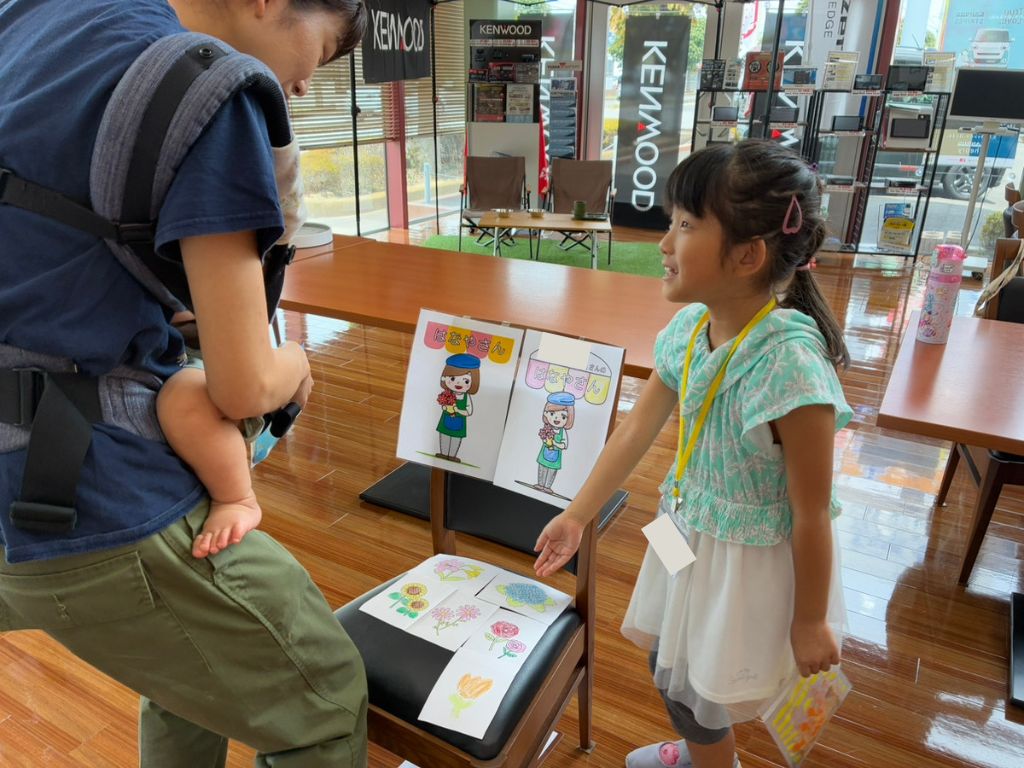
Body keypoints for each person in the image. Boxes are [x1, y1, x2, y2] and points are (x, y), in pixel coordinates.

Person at [0, 1, 370, 765]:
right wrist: (296, 366)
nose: (307, 84)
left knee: (188, 677)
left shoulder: (34, 17)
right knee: (325, 700)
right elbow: (243, 386)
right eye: (325, 47)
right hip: (79, 489)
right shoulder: (209, 91)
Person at [533, 140, 852, 768]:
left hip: (746, 562)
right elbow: (635, 430)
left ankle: (713, 762)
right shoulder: (688, 331)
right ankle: (706, 755)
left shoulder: (791, 368)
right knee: (671, 663)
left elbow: (813, 511)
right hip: (684, 529)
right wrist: (577, 514)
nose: (663, 243)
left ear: (748, 254)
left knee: (707, 681)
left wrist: (811, 620)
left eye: (684, 225)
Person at [435, 353, 480, 462]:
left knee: (456, 439)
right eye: (453, 378)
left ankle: (452, 455)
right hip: (446, 419)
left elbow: (469, 411)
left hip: (460, 422)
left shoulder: (466, 397)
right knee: (444, 436)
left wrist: (458, 410)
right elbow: (443, 405)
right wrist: (445, 407)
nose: (459, 383)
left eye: (466, 381)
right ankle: (443, 453)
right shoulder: (447, 394)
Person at [535, 391, 574, 493]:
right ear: (546, 413)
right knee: (542, 468)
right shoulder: (547, 428)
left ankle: (547, 487)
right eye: (552, 414)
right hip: (544, 453)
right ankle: (540, 484)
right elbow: (543, 437)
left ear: (569, 418)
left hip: (556, 456)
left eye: (563, 416)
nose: (557, 418)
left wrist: (554, 443)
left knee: (552, 471)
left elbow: (564, 445)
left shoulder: (563, 432)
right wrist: (545, 439)